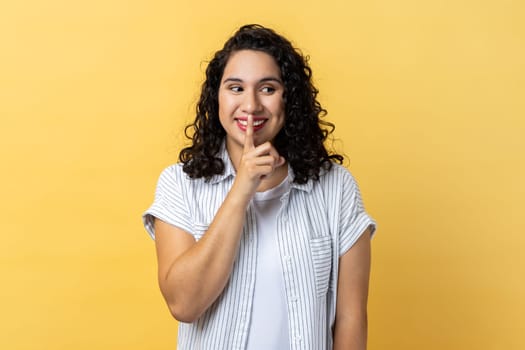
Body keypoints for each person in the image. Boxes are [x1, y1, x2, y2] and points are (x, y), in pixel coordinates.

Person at [143, 24, 376, 350]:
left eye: (267, 88)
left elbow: (351, 317)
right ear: (217, 99)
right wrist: (242, 188)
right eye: (235, 88)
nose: (250, 105)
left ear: (288, 98)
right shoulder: (180, 185)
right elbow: (184, 304)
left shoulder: (336, 189)